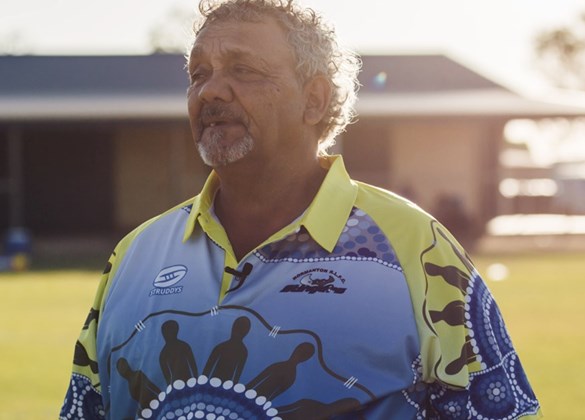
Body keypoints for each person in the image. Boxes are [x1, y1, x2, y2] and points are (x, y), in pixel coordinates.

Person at [59, 0, 542, 418]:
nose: (210, 91)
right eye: (198, 74)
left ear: (314, 100)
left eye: (242, 70)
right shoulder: (134, 256)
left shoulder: (417, 249)